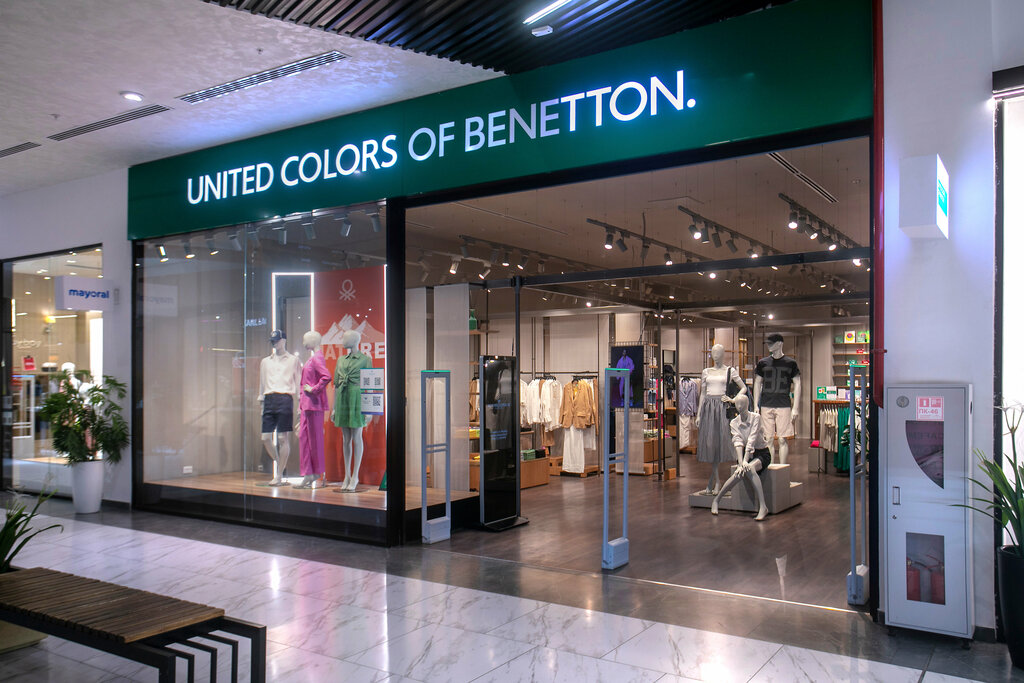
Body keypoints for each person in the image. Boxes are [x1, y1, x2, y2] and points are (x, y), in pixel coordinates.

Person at [695, 343, 747, 494]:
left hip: (722, 407)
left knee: (720, 443)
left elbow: (743, 388)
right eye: (713, 352)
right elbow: (703, 393)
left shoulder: (730, 371)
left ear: (723, 354)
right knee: (711, 443)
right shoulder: (706, 371)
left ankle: (714, 482)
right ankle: (716, 481)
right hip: (708, 408)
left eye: (718, 352)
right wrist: (699, 414)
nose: (715, 355)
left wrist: (733, 400)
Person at [711, 394, 770, 521]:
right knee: (739, 473)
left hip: (761, 453)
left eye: (742, 404)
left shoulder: (756, 418)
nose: (739, 406)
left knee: (749, 468)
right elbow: (737, 442)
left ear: (747, 404)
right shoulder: (734, 422)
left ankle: (763, 506)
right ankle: (716, 500)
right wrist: (740, 462)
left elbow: (752, 440)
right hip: (745, 455)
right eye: (737, 404)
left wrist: (744, 462)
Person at [258, 329, 302, 486]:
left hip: (285, 399)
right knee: (265, 438)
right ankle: (280, 464)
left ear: (284, 340)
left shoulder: (293, 360)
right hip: (269, 398)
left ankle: (278, 475)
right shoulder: (265, 361)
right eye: (273, 341)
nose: (275, 343)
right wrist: (261, 402)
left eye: (277, 340)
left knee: (283, 438)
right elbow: (262, 383)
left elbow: (298, 384)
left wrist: (300, 406)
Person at [332, 329, 372, 491]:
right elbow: (336, 385)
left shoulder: (365, 359)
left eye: (345, 337)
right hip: (343, 397)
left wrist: (369, 409)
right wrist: (334, 408)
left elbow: (370, 385)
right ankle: (347, 475)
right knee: (345, 438)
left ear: (355, 340)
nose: (343, 340)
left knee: (357, 436)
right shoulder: (341, 360)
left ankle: (355, 476)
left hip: (357, 397)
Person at [753, 333, 802, 465]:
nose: (769, 346)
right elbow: (757, 383)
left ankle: (782, 468)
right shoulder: (763, 363)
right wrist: (756, 405)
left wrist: (795, 408)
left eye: (771, 343)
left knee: (782, 439)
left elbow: (797, 383)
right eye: (768, 343)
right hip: (766, 404)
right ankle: (770, 468)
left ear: (780, 344)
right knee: (768, 439)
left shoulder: (790, 363)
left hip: (783, 404)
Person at [295, 331, 331, 489]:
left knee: (315, 440)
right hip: (306, 405)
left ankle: (316, 472)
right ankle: (308, 473)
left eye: (305, 339)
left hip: (313, 404)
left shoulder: (317, 358)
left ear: (313, 340)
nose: (303, 342)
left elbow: (326, 376)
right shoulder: (313, 358)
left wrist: (314, 389)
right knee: (304, 439)